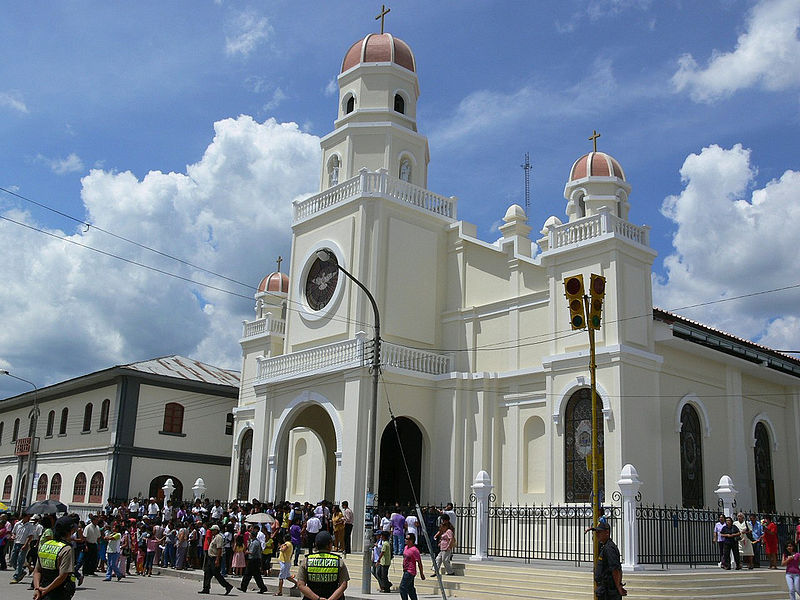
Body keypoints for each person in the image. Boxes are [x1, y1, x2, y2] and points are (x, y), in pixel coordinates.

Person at [32, 516, 77, 600]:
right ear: (69, 531)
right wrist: (46, 590)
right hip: (58, 592)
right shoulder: (66, 549)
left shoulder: (46, 545)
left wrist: (37, 589)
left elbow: (37, 571)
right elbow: (63, 575)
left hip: (43, 588)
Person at [296, 531, 349, 600]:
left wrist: (317, 598)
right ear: (329, 545)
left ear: (316, 544)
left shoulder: (306, 560)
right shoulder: (339, 561)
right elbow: (343, 585)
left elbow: (300, 585)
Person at [591, 522, 627, 599]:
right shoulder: (604, 546)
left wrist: (618, 586)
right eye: (596, 532)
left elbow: (615, 569)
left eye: (599, 532)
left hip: (609, 591)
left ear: (607, 532)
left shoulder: (609, 548)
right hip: (604, 589)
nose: (597, 534)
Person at [199, 524, 233, 595]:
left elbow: (219, 549)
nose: (212, 531)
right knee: (207, 573)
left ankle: (227, 586)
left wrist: (217, 559)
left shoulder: (219, 537)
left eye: (213, 530)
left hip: (215, 558)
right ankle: (206, 588)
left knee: (216, 574)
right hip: (210, 557)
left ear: (216, 530)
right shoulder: (214, 537)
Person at [239, 524, 267, 594]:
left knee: (248, 574)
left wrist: (246, 552)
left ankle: (244, 587)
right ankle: (262, 588)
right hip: (254, 560)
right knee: (256, 576)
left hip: (254, 560)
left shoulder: (255, 543)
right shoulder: (253, 542)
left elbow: (252, 552)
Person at [10, 512, 35, 583]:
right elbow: (14, 532)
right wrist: (13, 536)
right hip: (16, 543)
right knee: (12, 560)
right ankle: (21, 571)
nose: (29, 518)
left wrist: (26, 544)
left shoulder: (29, 525)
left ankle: (16, 577)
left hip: (23, 544)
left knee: (20, 561)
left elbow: (30, 536)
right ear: (23, 517)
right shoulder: (17, 524)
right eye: (27, 516)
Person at [399, 532, 425, 600]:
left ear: (411, 540)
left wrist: (421, 573)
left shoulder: (414, 550)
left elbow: (419, 562)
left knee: (402, 587)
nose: (405, 540)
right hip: (405, 570)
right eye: (405, 538)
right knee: (410, 588)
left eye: (407, 539)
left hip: (410, 571)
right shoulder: (405, 547)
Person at [275, 530, 297, 596]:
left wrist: (280, 547)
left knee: (281, 578)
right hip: (286, 562)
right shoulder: (290, 544)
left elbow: (283, 549)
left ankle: (280, 592)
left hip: (284, 562)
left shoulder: (287, 544)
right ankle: (296, 583)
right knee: (287, 577)